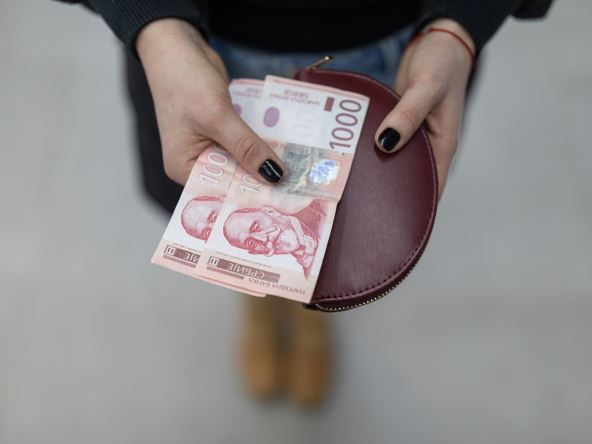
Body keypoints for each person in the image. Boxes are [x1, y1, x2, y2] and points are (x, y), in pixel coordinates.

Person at [55, 0, 553, 407]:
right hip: (197, 37)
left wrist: (460, 22)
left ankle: (311, 314)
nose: (262, 234)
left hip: (397, 39)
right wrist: (155, 26)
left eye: (253, 231)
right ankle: (257, 300)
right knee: (223, 214)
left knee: (345, 236)